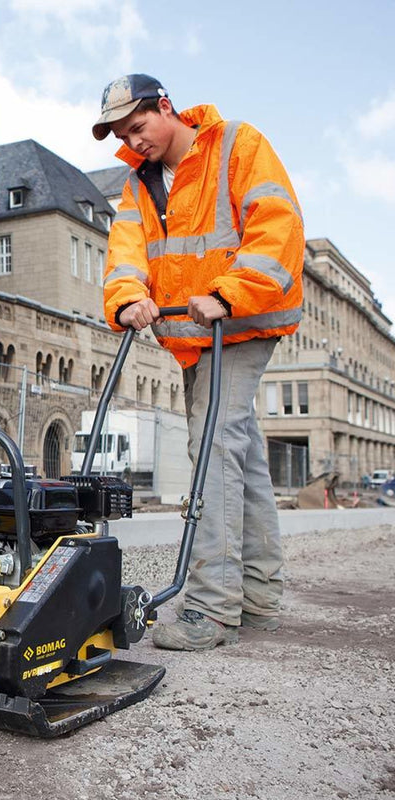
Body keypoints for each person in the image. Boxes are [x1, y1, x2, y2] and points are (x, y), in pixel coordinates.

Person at [93, 74, 305, 650]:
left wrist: (229, 293)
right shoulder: (139, 184)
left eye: (139, 127)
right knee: (243, 458)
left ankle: (212, 608)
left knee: (211, 448)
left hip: (241, 322)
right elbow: (126, 252)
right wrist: (128, 297)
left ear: (166, 107)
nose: (134, 141)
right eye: (122, 134)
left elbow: (277, 224)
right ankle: (259, 597)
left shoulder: (236, 143)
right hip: (193, 336)